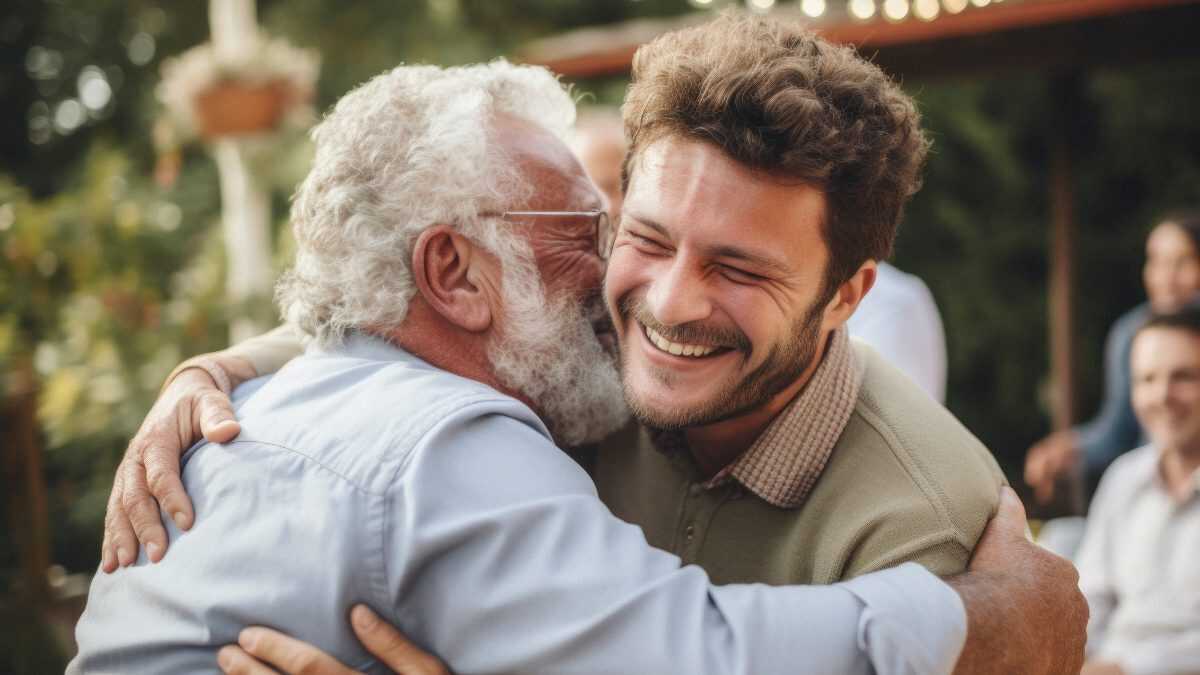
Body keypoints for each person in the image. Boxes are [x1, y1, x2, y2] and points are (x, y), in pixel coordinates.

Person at [94, 16, 1088, 675]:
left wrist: (991, 612)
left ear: (847, 296)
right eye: (627, 235)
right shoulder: (554, 375)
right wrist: (219, 370)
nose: (659, 302)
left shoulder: (928, 522)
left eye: (740, 270)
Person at [574, 107, 950, 402]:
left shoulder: (895, 306)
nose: (668, 306)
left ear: (844, 297)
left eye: (738, 270)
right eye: (648, 240)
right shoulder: (582, 378)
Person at [1026, 212, 1200, 503]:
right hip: (1154, 487)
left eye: (1183, 261)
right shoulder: (1129, 334)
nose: (1167, 277)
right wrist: (1068, 449)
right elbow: (1117, 430)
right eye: (1157, 261)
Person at [1075, 306, 1200, 675]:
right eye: (1146, 380)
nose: (1162, 396)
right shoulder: (1124, 478)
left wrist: (1126, 668)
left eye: (1183, 377)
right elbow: (1088, 602)